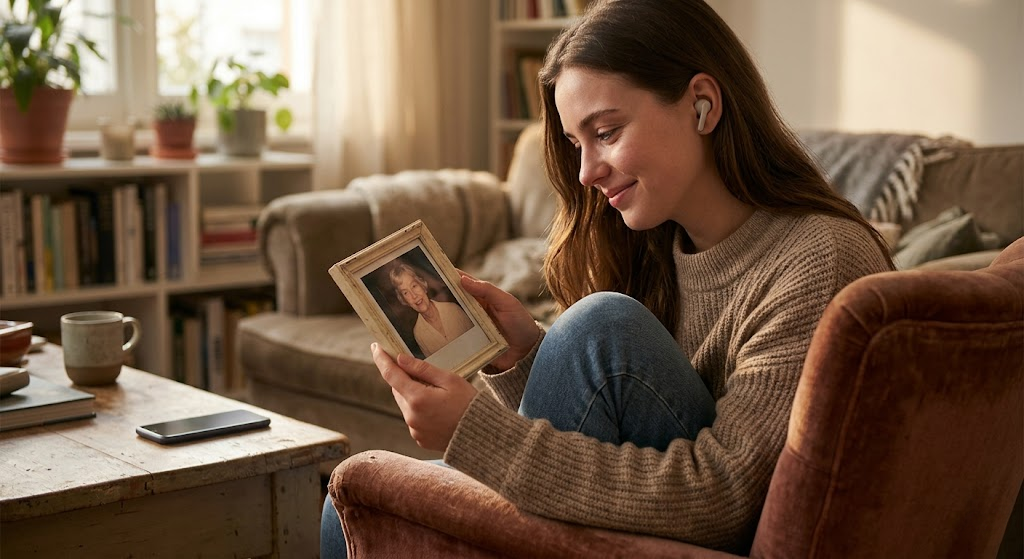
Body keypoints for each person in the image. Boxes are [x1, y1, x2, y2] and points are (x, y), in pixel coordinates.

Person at [321, 0, 894, 555]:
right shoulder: (655, 248)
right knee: (351, 506)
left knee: (600, 324)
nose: (586, 171)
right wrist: (522, 358)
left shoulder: (819, 259)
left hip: (719, 527)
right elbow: (622, 427)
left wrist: (476, 433)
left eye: (608, 132)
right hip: (654, 516)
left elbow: (723, 495)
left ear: (702, 104)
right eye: (576, 143)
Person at [388, 261, 473, 357]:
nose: (414, 295)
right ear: (404, 300)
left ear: (423, 286)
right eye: (405, 293)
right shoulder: (418, 334)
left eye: (414, 286)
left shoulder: (453, 309)